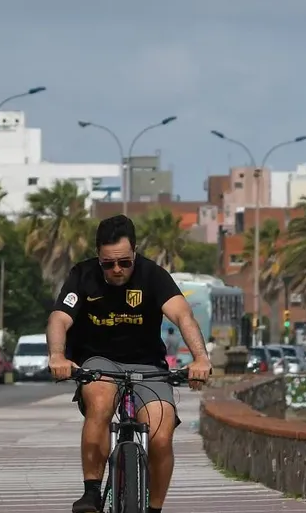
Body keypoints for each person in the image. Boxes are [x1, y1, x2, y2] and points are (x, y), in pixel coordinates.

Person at [47, 214, 212, 513]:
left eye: (124, 262)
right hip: (99, 363)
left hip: (148, 367)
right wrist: (58, 356)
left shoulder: (153, 276)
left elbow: (182, 315)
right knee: (100, 402)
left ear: (135, 252)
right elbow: (59, 318)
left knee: (161, 435)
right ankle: (92, 492)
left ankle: (154, 509)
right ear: (98, 256)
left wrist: (201, 358)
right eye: (108, 264)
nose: (117, 270)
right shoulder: (82, 276)